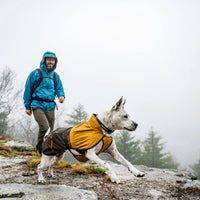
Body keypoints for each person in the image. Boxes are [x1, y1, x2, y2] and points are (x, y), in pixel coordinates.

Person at [23, 51, 65, 155]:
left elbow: (59, 89)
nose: (51, 62)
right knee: (44, 127)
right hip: (37, 104)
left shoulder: (55, 76)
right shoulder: (35, 73)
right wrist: (27, 106)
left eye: (53, 60)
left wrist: (61, 96)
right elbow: (28, 89)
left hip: (50, 105)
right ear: (44, 60)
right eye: (49, 59)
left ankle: (46, 152)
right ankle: (39, 149)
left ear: (55, 62)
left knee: (50, 131)